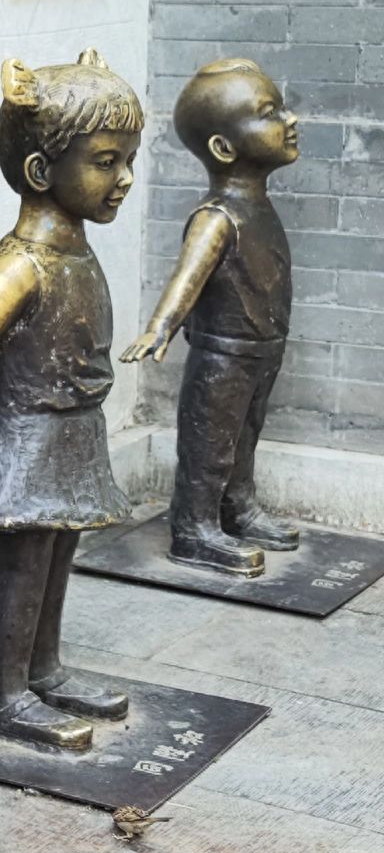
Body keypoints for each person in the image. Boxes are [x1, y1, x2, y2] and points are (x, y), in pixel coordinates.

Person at [0, 49, 142, 750]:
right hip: (26, 437)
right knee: (21, 566)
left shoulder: (72, 250)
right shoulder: (22, 264)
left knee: (56, 556)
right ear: (41, 172)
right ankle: (5, 697)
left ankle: (41, 670)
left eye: (126, 159)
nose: (125, 178)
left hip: (71, 434)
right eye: (106, 161)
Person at [122, 57, 300, 576]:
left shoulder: (256, 203)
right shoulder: (216, 217)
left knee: (245, 433)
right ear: (225, 148)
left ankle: (235, 507)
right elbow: (186, 279)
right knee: (209, 442)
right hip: (223, 354)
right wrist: (160, 328)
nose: (291, 120)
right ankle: (194, 528)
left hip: (262, 347)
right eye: (271, 113)